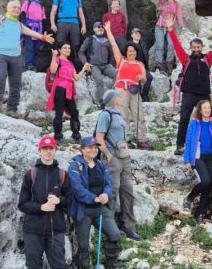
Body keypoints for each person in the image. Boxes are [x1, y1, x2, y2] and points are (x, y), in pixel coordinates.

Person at [167, 17, 212, 156]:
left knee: (209, 119)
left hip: (203, 94)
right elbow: (177, 45)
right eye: (194, 48)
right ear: (190, 48)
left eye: (198, 47)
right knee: (184, 119)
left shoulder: (208, 58)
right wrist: (171, 30)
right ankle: (180, 146)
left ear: (202, 48)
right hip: (189, 93)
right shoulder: (186, 59)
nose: (196, 50)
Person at [17, 135, 72, 269]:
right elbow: (22, 204)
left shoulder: (62, 174)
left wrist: (59, 200)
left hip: (56, 229)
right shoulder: (30, 174)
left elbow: (71, 201)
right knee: (33, 265)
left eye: (51, 148)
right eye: (45, 148)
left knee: (59, 265)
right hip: (33, 230)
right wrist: (42, 207)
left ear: (55, 150)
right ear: (39, 151)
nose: (48, 151)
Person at [95, 90, 143, 241]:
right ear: (113, 100)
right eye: (118, 96)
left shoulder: (118, 114)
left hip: (124, 155)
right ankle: (111, 227)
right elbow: (99, 137)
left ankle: (129, 226)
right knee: (113, 190)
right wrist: (108, 155)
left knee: (127, 190)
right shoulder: (105, 115)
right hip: (113, 157)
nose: (121, 97)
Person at [68, 136, 122, 269]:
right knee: (83, 245)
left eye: (95, 147)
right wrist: (93, 198)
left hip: (100, 208)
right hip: (83, 210)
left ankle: (111, 263)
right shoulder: (75, 166)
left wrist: (105, 194)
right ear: (82, 149)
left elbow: (109, 183)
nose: (93, 150)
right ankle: (84, 266)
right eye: (90, 147)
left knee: (114, 234)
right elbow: (77, 188)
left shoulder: (100, 164)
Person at [103, 22, 151, 150]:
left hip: (135, 90)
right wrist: (108, 30)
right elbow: (114, 45)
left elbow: (145, 80)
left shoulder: (140, 64)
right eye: (129, 51)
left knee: (139, 115)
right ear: (126, 52)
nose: (131, 52)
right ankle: (124, 139)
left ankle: (142, 140)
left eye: (133, 51)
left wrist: (142, 78)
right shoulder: (121, 60)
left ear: (136, 52)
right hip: (121, 90)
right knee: (122, 116)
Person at [48, 43, 91, 141]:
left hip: (69, 89)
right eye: (65, 48)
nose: (68, 49)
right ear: (60, 50)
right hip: (60, 88)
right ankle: (58, 136)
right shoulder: (58, 60)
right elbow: (53, 70)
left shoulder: (70, 63)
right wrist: (54, 56)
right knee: (59, 112)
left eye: (69, 48)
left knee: (74, 112)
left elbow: (76, 78)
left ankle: (76, 134)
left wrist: (84, 68)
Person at [49, 0, 87, 69]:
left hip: (75, 23)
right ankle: (58, 65)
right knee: (60, 44)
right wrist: (52, 24)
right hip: (62, 22)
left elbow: (81, 13)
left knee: (76, 45)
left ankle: (76, 66)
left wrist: (84, 26)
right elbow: (53, 12)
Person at [79, 22, 117, 104]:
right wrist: (86, 64)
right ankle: (102, 101)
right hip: (94, 66)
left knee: (118, 74)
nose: (101, 28)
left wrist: (111, 64)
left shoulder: (107, 40)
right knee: (99, 81)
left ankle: (114, 95)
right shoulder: (89, 39)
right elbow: (81, 53)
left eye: (102, 27)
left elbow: (112, 54)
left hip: (106, 65)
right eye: (98, 27)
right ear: (94, 29)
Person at [151, 0, 185, 72]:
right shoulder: (163, 2)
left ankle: (169, 63)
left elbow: (179, 15)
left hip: (170, 28)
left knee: (171, 45)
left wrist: (182, 26)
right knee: (160, 45)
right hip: (160, 27)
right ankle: (158, 64)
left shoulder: (177, 4)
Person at [21, 0, 48, 71]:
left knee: (37, 47)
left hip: (39, 29)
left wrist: (44, 31)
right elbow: (22, 14)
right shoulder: (27, 3)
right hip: (29, 28)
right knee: (30, 47)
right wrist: (25, 26)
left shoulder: (41, 6)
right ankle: (29, 65)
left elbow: (43, 20)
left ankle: (37, 65)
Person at [130, 28, 154, 102]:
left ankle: (144, 95)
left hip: (143, 67)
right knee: (138, 80)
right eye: (136, 33)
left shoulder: (143, 44)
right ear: (131, 35)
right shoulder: (130, 45)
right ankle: (139, 97)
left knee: (149, 77)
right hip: (133, 67)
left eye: (139, 33)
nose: (138, 35)